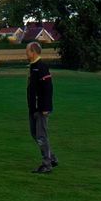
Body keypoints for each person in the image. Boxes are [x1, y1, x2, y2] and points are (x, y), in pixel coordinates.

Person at [26, 41, 58, 173]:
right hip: (33, 108)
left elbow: (48, 89)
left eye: (27, 51)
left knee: (41, 136)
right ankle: (52, 158)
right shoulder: (33, 67)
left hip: (41, 109)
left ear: (33, 52)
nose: (26, 53)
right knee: (35, 134)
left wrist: (45, 108)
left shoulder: (42, 67)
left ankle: (47, 164)